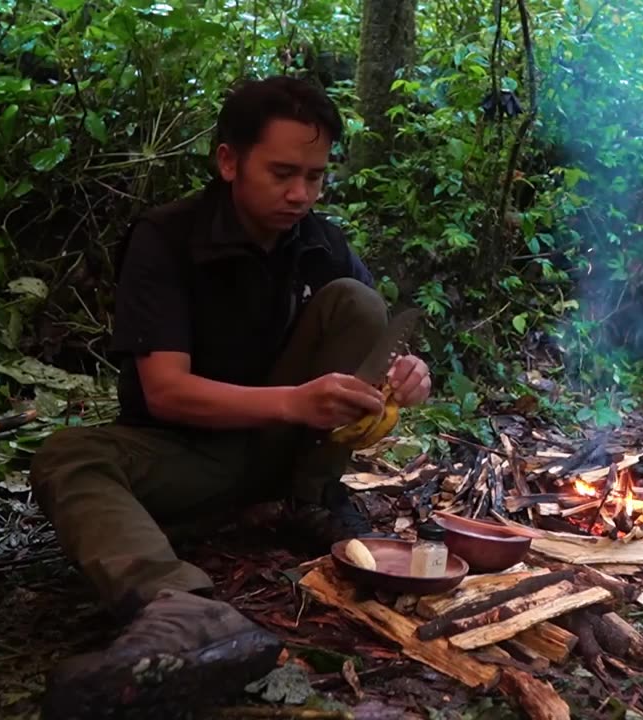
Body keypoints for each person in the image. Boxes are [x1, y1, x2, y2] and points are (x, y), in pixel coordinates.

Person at [27, 75, 432, 717]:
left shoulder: (320, 241)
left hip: (283, 458)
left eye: (316, 176)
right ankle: (180, 610)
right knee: (67, 456)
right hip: (188, 454)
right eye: (281, 173)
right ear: (228, 160)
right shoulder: (167, 239)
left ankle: (305, 500)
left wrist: (407, 377)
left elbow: (370, 358)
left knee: (357, 302)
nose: (300, 194)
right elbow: (165, 393)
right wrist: (295, 403)